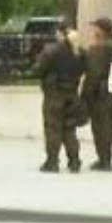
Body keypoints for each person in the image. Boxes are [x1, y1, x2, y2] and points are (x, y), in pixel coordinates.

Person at [35, 24, 85, 173]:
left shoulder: (51, 50)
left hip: (54, 94)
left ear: (60, 34)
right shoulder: (80, 52)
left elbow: (38, 70)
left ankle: (52, 162)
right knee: (69, 129)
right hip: (72, 94)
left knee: (53, 128)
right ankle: (74, 161)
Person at [82, 17, 112, 171]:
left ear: (100, 30)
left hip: (102, 94)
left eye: (95, 27)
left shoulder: (99, 48)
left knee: (102, 127)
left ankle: (104, 160)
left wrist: (85, 95)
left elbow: (93, 74)